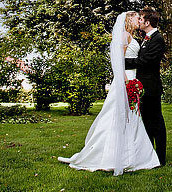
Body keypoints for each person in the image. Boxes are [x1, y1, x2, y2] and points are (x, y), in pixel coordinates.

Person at [57, 12, 159, 176]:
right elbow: (118, 60)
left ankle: (133, 155)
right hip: (125, 79)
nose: (138, 21)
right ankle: (110, 154)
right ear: (128, 19)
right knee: (117, 115)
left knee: (131, 116)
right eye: (136, 18)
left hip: (133, 77)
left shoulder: (132, 36)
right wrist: (127, 82)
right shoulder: (124, 35)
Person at [125, 7, 166, 165]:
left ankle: (161, 158)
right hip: (143, 87)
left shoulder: (157, 39)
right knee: (147, 123)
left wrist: (123, 62)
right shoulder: (147, 38)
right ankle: (150, 155)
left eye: (141, 19)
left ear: (148, 22)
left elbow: (145, 62)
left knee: (156, 122)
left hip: (151, 87)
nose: (139, 21)